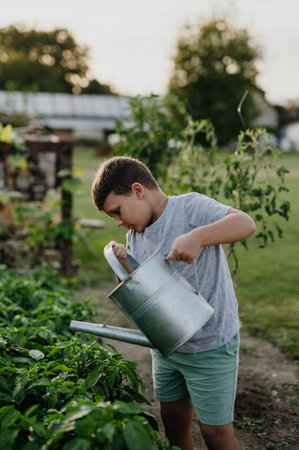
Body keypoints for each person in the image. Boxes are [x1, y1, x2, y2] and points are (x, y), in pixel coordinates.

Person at [92, 156, 256, 450]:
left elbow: (246, 223)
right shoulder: (135, 237)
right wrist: (124, 265)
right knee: (173, 420)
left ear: (138, 190)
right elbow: (142, 294)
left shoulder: (190, 209)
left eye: (117, 211)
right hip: (167, 346)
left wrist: (197, 237)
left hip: (209, 344)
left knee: (215, 434)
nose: (118, 222)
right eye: (111, 217)